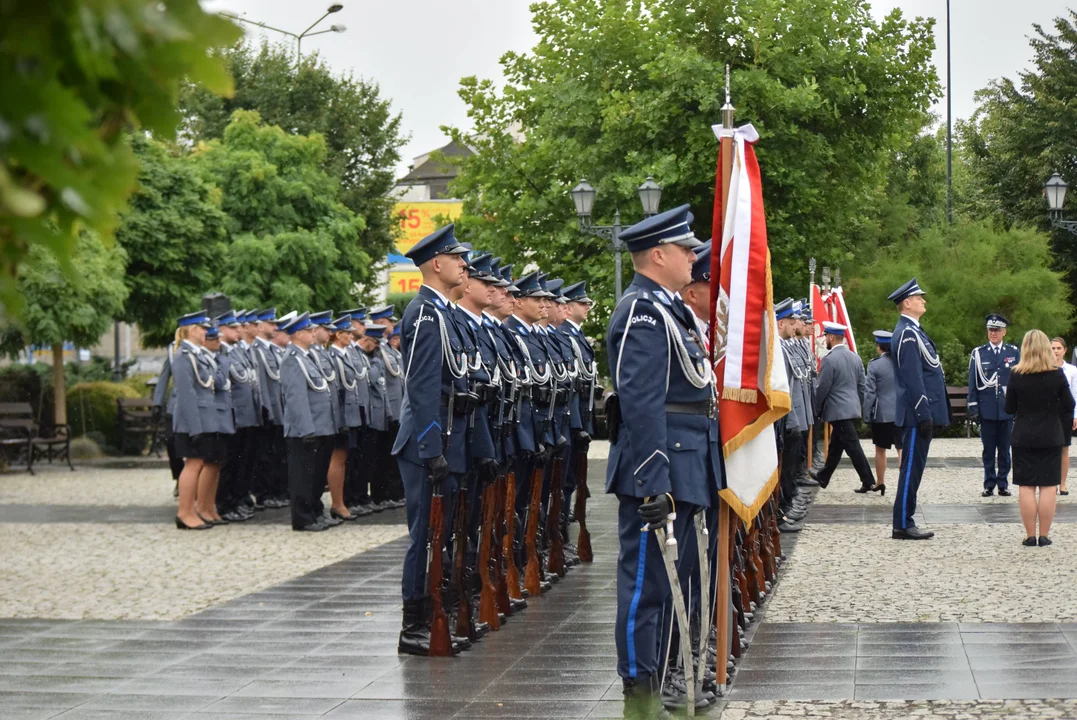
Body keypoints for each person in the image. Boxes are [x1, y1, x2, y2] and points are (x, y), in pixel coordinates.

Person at [605, 204, 720, 717]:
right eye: (685, 248)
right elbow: (642, 402)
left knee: (677, 581)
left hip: (686, 463)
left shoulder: (668, 309)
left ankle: (666, 676)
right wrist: (654, 481)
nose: (693, 255)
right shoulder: (643, 311)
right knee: (646, 586)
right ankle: (639, 690)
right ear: (658, 254)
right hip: (662, 467)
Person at [391, 224, 471, 656]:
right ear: (436, 264)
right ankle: (413, 625)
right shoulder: (425, 313)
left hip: (441, 438)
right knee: (423, 535)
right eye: (457, 258)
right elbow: (421, 388)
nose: (464, 264)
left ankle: (432, 613)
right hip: (426, 442)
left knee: (439, 535)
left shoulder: (443, 313)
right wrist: (432, 449)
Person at [888, 278, 949, 540]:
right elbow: (913, 377)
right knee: (910, 469)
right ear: (907, 303)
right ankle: (902, 523)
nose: (923, 300)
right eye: (919, 297)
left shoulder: (915, 332)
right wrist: (925, 413)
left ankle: (905, 519)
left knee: (914, 469)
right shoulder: (907, 334)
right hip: (916, 414)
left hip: (920, 414)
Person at [1006, 329, 1075, 546]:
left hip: (1024, 434)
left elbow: (1009, 408)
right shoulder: (1056, 375)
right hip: (1051, 434)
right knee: (1048, 485)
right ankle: (1044, 535)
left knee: (1026, 485)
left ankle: (1029, 535)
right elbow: (1069, 404)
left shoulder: (1016, 374)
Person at [279, 312, 337, 532]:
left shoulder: (306, 356)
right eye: (310, 331)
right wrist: (306, 430)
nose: (314, 334)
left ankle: (314, 510)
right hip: (305, 428)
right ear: (299, 334)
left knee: (315, 475)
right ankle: (303, 518)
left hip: (321, 425)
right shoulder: (292, 360)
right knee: (303, 476)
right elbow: (296, 398)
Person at [170, 311, 228, 530]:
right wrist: (195, 428)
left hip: (203, 418)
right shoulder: (184, 357)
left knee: (199, 463)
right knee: (193, 464)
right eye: (203, 329)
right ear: (193, 330)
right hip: (191, 421)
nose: (207, 333)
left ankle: (191, 510)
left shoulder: (197, 355)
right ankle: (184, 512)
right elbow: (186, 395)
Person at [810, 322, 876, 493]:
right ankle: (824, 476)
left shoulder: (829, 360)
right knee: (836, 446)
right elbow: (863, 385)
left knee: (853, 447)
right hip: (851, 408)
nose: (825, 340)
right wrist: (860, 405)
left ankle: (869, 481)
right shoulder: (855, 357)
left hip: (837, 411)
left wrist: (816, 409)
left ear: (831, 337)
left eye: (826, 336)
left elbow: (822, 388)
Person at [968, 314, 1020, 497]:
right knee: (988, 449)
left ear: (1004, 332)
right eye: (991, 330)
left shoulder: (1013, 352)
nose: (993, 333)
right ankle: (989, 483)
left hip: (1006, 409)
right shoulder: (979, 353)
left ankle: (1003, 483)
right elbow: (973, 382)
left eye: (997, 330)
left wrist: (1018, 407)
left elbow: (1018, 381)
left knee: (1005, 450)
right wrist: (973, 408)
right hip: (987, 408)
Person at [863, 330, 901, 494]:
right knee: (902, 448)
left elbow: (870, 392)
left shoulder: (874, 365)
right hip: (901, 412)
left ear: (879, 347)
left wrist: (866, 413)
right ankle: (904, 483)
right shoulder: (901, 364)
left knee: (880, 450)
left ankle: (880, 482)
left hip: (881, 414)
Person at [1051, 337, 1077, 496]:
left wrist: (1076, 415)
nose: (1055, 351)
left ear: (1065, 350)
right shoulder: (1046, 368)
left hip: (1066, 411)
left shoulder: (1072, 370)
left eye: (1058, 348)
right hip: (1050, 412)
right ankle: (1050, 482)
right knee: (1050, 449)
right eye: (1053, 348)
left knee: (1064, 448)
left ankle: (1062, 483)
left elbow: (1075, 394)